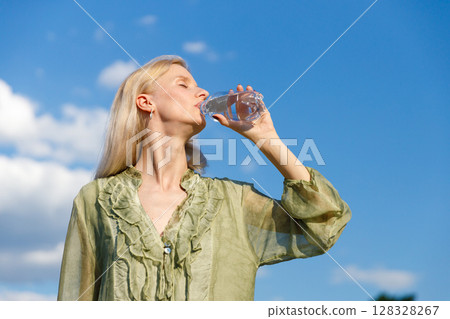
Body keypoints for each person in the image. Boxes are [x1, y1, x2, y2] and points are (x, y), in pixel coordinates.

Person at [57, 55, 352, 301]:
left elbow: (322, 222)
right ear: (146, 102)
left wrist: (266, 138)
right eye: (184, 84)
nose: (203, 94)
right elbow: (74, 299)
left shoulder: (233, 202)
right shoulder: (95, 200)